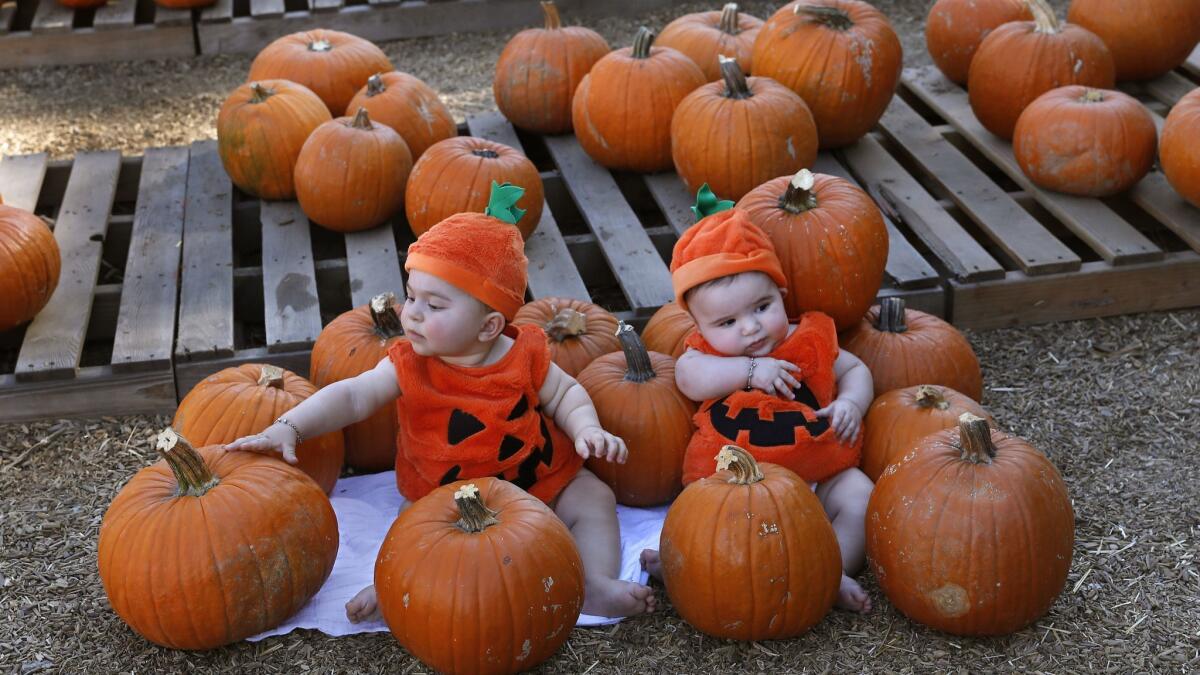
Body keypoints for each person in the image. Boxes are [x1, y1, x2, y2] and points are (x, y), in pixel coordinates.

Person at [226, 184, 655, 621]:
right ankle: (392, 584)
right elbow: (353, 395)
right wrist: (290, 426)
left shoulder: (523, 354)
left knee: (593, 497)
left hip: (535, 480)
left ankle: (592, 582)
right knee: (412, 530)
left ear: (489, 327)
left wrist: (587, 429)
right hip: (443, 495)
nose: (411, 313)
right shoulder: (409, 363)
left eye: (434, 305)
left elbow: (566, 393)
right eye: (411, 295)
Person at [639, 206, 876, 613]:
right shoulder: (703, 356)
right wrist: (748, 371)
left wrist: (851, 401)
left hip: (819, 474)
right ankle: (686, 565)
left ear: (782, 295)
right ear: (700, 327)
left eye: (762, 308)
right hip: (732, 490)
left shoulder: (810, 340)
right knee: (705, 526)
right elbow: (687, 378)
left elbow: (856, 368)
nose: (749, 328)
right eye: (727, 323)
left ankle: (829, 569)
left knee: (861, 496)